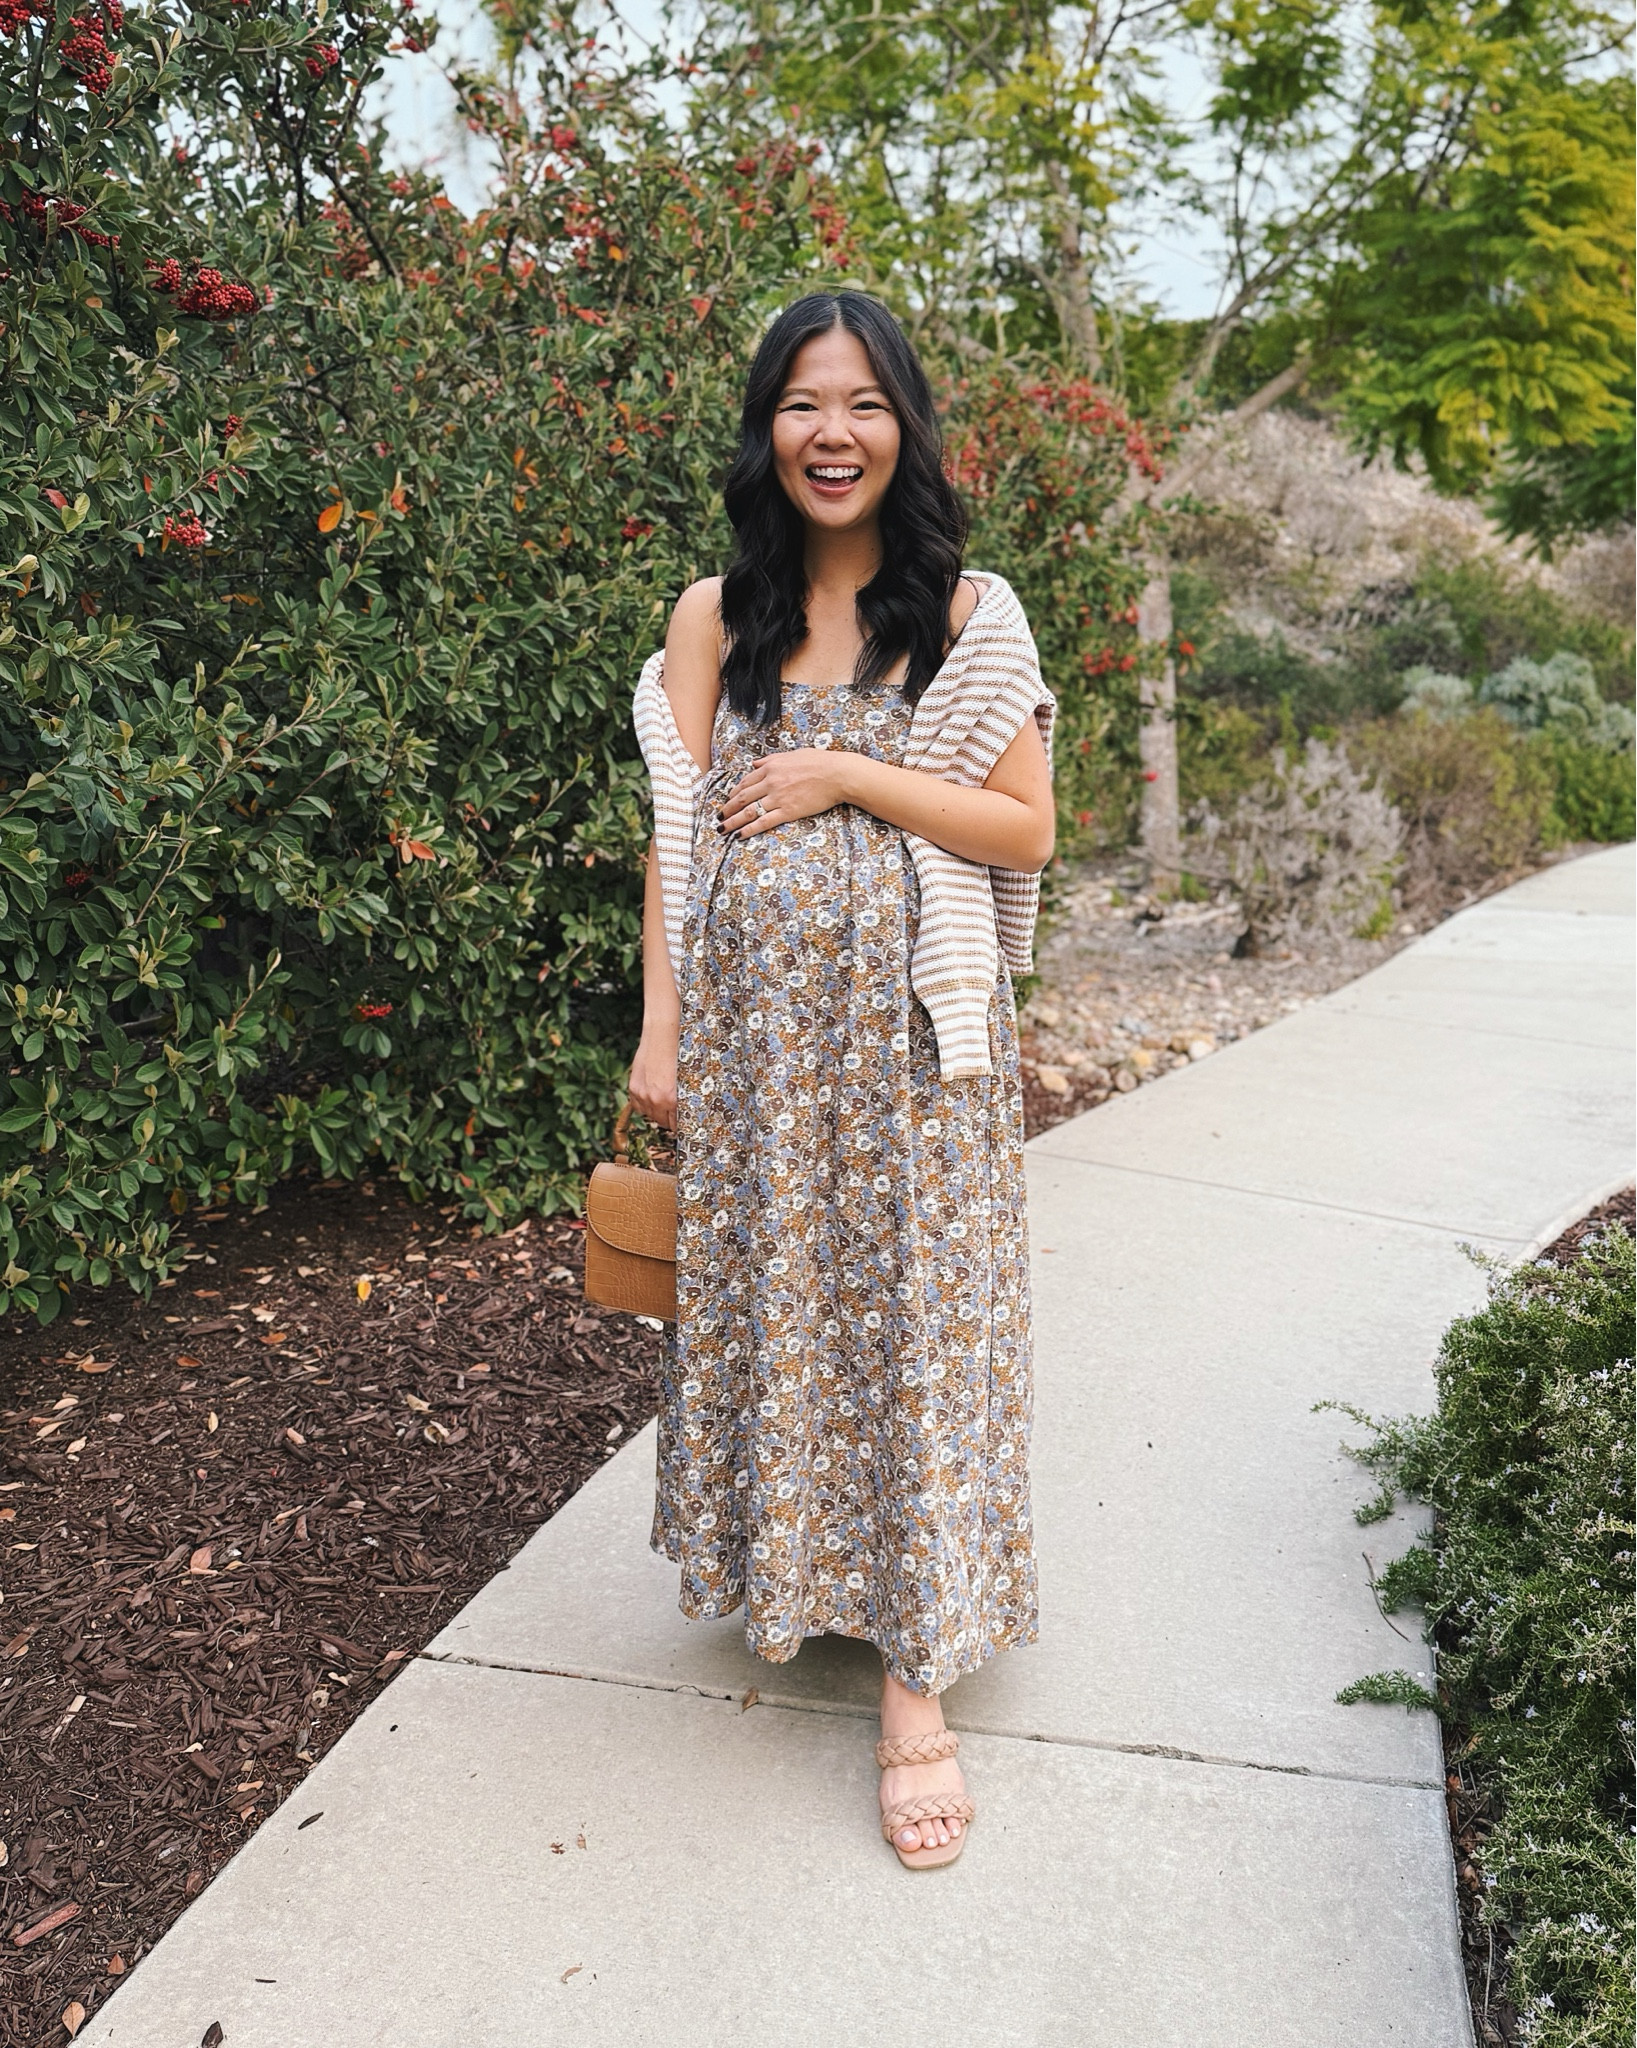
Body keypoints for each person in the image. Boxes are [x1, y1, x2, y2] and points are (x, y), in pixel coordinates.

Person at [629, 289, 1054, 1870]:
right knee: (779, 1315)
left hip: (912, 1063)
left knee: (913, 1332)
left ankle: (916, 1687)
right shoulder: (708, 616)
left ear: (904, 430)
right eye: (804, 404)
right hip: (753, 1048)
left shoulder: (963, 616)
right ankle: (798, 1578)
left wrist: (849, 773)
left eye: (864, 404)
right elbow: (673, 843)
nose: (833, 433)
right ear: (767, 431)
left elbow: (1022, 831)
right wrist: (661, 1025)